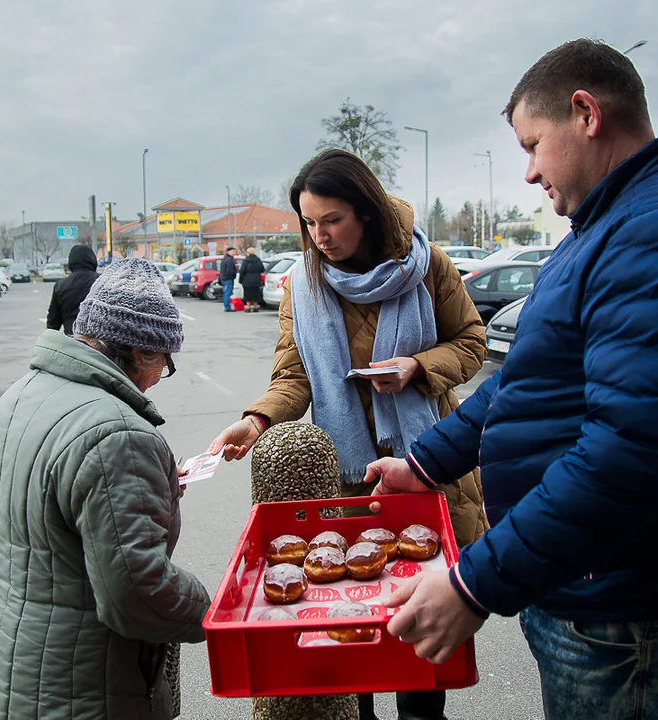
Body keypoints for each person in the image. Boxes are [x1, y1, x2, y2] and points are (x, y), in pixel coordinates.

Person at [364, 39, 658, 719]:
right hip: (595, 594)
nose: (527, 172)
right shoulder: (606, 227)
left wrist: (473, 585)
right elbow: (525, 379)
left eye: (531, 144)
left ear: (586, 113)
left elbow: (634, 451)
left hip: (635, 612)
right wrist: (428, 463)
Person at [208, 148, 487, 720]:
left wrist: (416, 368)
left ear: (367, 212)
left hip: (424, 462)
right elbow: (293, 376)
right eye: (309, 223)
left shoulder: (426, 263)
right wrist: (257, 419)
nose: (319, 237)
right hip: (347, 474)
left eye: (331, 221)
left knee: (420, 635)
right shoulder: (302, 282)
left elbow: (471, 344)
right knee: (349, 626)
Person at [0, 258, 210, 719]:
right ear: (138, 352)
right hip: (83, 689)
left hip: (9, 668)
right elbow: (137, 593)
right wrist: (214, 612)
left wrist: (146, 487)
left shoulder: (22, 394)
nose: (161, 376)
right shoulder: (118, 434)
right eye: (164, 360)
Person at [47, 244, 100, 335]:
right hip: (99, 340)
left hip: (72, 339)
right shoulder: (102, 281)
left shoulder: (60, 286)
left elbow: (53, 323)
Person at [238, 246, 265, 313]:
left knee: (247, 294)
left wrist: (240, 280)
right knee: (256, 294)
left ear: (248, 253)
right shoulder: (258, 260)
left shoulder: (246, 261)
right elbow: (262, 269)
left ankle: (248, 307)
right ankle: (255, 307)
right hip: (256, 280)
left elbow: (242, 271)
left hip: (247, 280)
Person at [219, 246, 237, 312]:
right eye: (233, 251)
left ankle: (227, 306)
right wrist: (233, 275)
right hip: (228, 278)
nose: (234, 253)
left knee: (227, 292)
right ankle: (227, 307)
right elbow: (230, 270)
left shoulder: (225, 258)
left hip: (224, 278)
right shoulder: (229, 260)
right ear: (228, 252)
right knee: (227, 292)